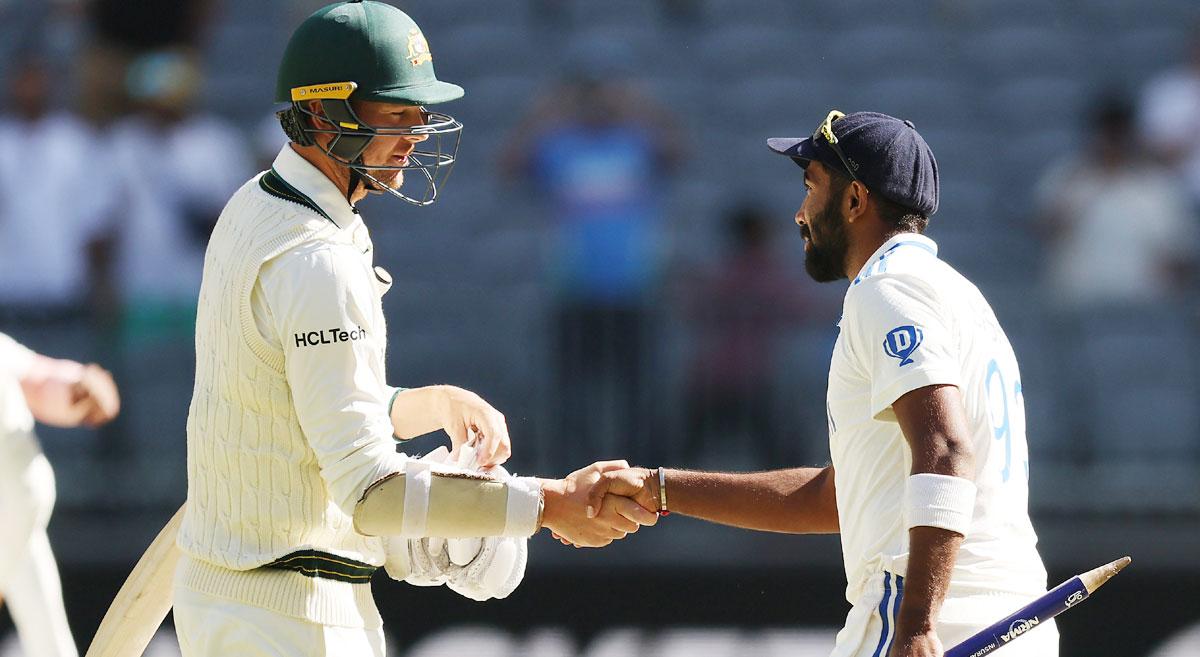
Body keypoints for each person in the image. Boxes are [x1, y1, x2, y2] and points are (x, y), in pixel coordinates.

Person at [172, 3, 654, 656]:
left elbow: (291, 401)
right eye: (395, 114)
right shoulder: (316, 258)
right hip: (292, 617)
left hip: (244, 599)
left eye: (419, 114)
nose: (417, 134)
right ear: (321, 114)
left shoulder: (257, 204)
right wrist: (548, 503)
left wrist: (421, 404)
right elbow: (370, 493)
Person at [586, 111, 1058, 657]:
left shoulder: (888, 289)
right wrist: (660, 487)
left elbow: (948, 450)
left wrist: (918, 624)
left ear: (855, 200)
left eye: (811, 187)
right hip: (1014, 621)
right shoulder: (959, 296)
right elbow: (837, 498)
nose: (800, 213)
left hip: (929, 619)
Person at [0, 333, 121, 657]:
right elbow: (41, 382)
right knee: (45, 630)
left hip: (12, 499)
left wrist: (80, 389)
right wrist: (77, 389)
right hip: (23, 495)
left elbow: (40, 380)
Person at [1035, 94, 1196, 310]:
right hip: (1079, 304)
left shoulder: (1158, 187)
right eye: (1108, 134)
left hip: (1142, 306)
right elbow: (1045, 232)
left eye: (1119, 134)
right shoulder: (1068, 179)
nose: (1114, 143)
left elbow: (1180, 255)